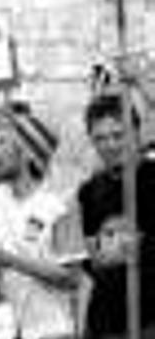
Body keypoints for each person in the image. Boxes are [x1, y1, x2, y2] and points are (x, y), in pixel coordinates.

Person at [0, 108, 86, 339]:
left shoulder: (61, 204)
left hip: (53, 331)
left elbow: (71, 278)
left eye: (2, 143)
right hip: (8, 330)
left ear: (27, 153)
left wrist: (11, 260)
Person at [77, 94, 155, 338]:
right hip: (106, 326)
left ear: (136, 133)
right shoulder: (89, 191)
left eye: (118, 135)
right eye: (100, 138)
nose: (110, 145)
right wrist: (81, 328)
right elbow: (90, 268)